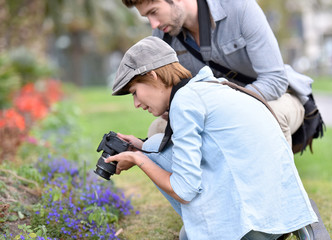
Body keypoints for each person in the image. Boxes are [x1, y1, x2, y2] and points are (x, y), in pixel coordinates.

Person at [107, 36, 319, 240]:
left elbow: (184, 189)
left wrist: (139, 159)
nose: (135, 103)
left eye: (134, 92)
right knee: (186, 234)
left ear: (153, 75)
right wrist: (140, 147)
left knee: (155, 146)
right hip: (283, 211)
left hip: (253, 224)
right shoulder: (212, 86)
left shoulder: (185, 101)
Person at [121, 0, 319, 149]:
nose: (153, 24)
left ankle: (282, 198)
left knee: (263, 118)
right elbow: (171, 90)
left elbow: (274, 80)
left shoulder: (239, 8)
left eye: (154, 12)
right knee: (157, 131)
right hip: (213, 109)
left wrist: (218, 108)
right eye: (147, 17)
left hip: (276, 97)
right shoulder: (162, 37)